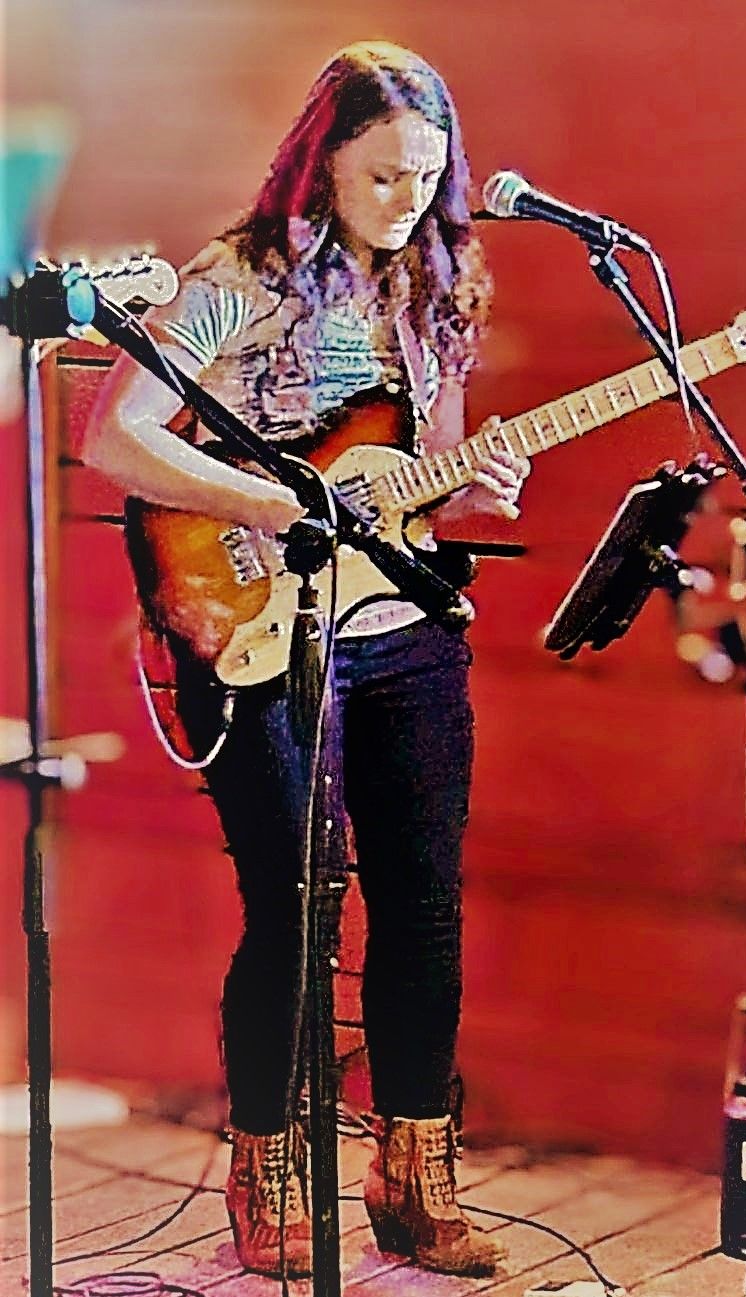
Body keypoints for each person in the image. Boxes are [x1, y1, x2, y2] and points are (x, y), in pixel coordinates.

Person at [85, 42, 530, 1281]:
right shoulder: (237, 277)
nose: (405, 199)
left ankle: (414, 1175)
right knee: (292, 905)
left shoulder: (439, 282)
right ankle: (269, 1171)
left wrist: (479, 485)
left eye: (425, 177)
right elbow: (112, 434)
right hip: (255, 620)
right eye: (381, 175)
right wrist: (269, 502)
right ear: (321, 162)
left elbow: (422, 478)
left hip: (399, 625)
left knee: (424, 905)